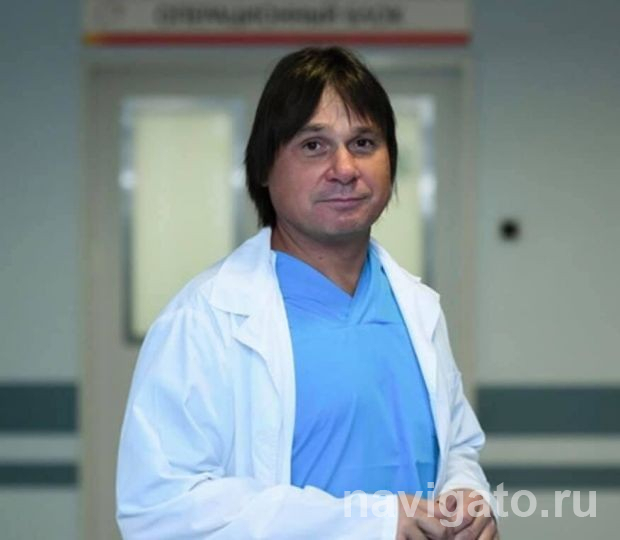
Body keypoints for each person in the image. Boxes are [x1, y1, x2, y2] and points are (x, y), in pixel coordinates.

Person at [116, 46, 498, 539]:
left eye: (363, 143)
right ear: (263, 168)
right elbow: (161, 509)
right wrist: (373, 524)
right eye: (314, 145)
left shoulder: (415, 308)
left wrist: (468, 497)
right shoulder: (204, 319)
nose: (345, 167)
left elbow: (457, 447)